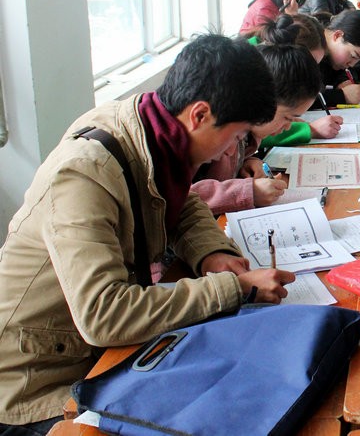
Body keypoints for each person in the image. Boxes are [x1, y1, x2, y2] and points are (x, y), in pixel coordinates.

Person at [0, 35, 296, 432]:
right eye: (236, 135)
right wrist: (233, 288)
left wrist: (212, 253)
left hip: (93, 354)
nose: (232, 148)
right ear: (199, 114)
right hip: (36, 382)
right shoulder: (84, 172)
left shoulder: (154, 130)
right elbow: (103, 314)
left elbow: (182, 201)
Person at [192, 44, 323, 215]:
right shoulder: (216, 130)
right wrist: (248, 192)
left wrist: (247, 162)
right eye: (287, 117)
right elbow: (183, 198)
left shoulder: (249, 135)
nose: (288, 127)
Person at [246, 14, 344, 145]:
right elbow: (261, 129)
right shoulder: (248, 73)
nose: (310, 70)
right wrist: (309, 129)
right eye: (308, 62)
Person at [312, 10, 360, 106]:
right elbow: (296, 97)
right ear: (337, 36)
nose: (352, 64)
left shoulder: (332, 53)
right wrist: (341, 96)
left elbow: (344, 71)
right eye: (353, 56)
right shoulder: (309, 48)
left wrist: (343, 80)